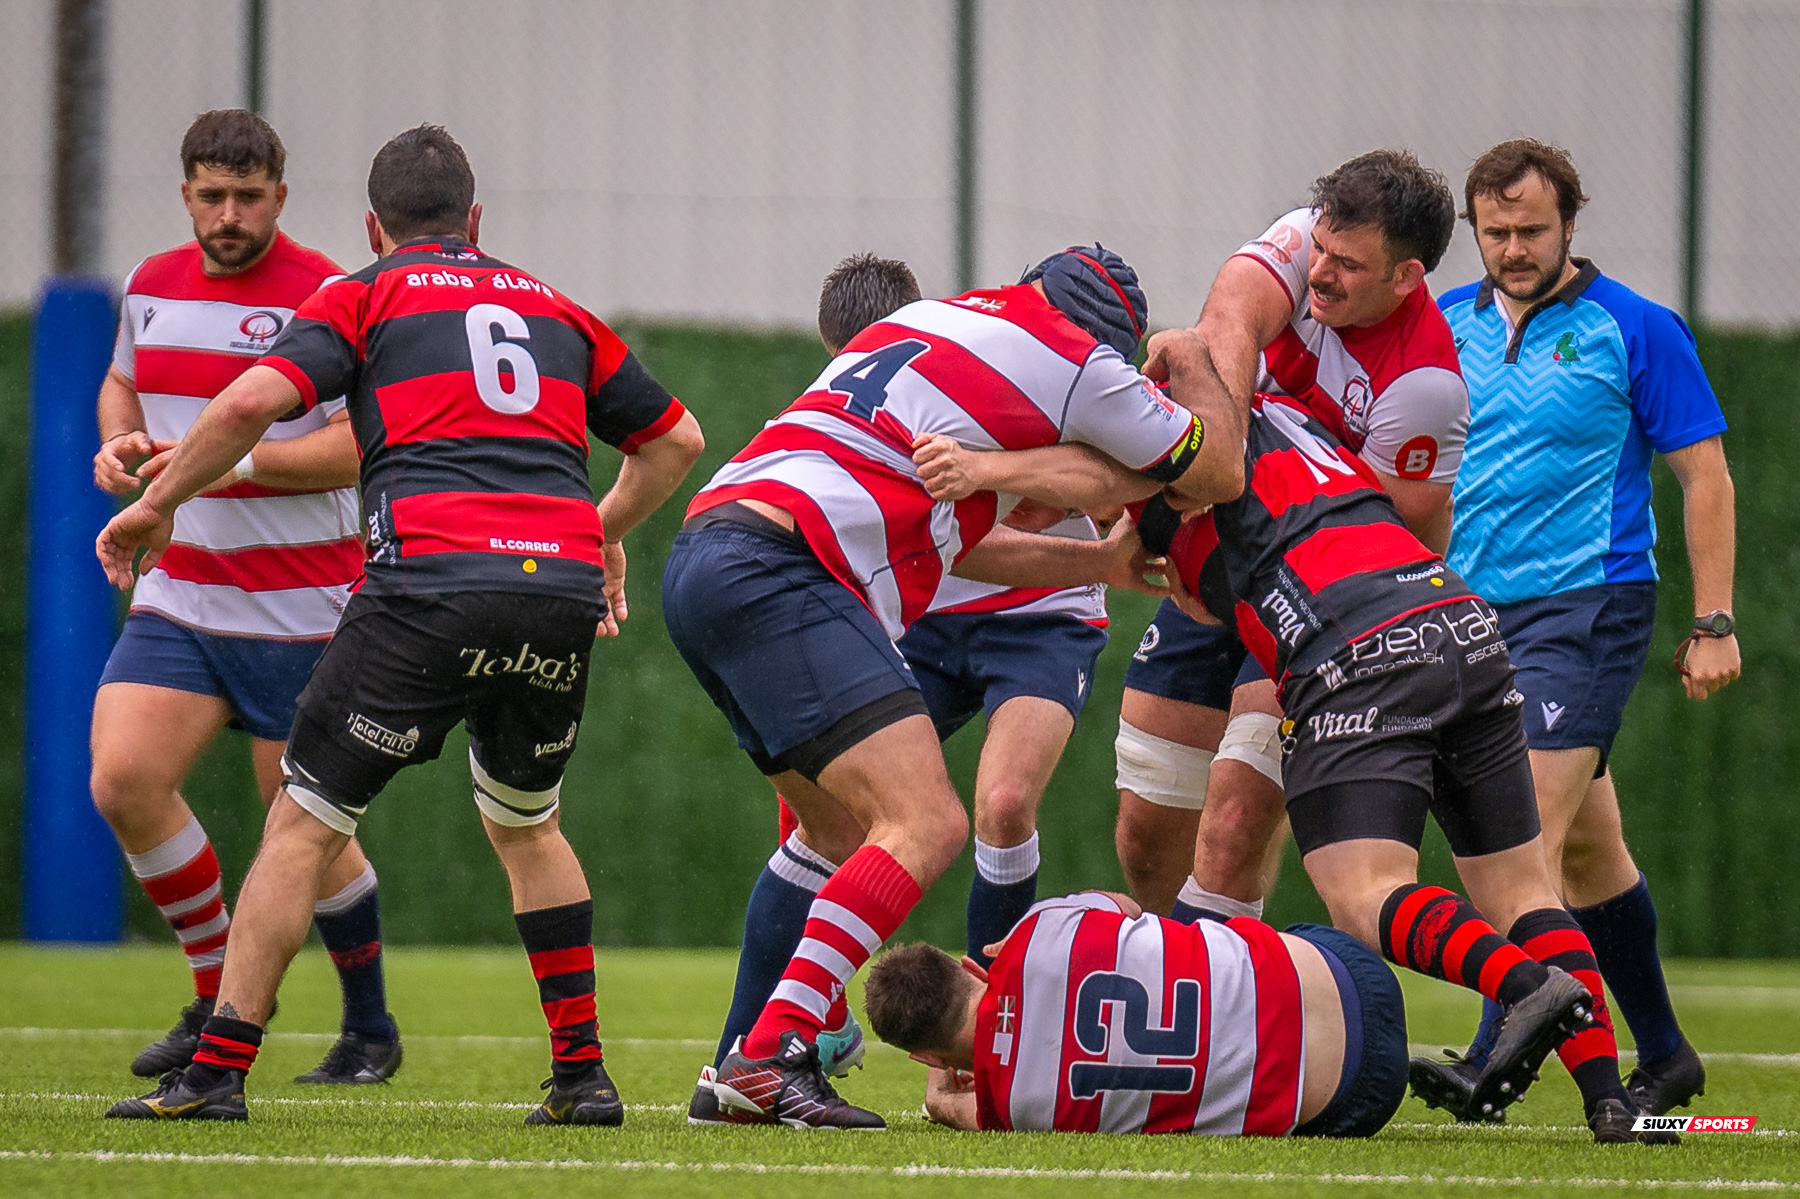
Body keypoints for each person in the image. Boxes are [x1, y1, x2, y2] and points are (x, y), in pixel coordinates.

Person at [96, 124, 704, 1125]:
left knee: (301, 821)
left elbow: (249, 403)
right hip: (554, 591)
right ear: (476, 220)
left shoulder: (364, 293)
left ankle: (216, 1072)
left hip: (427, 581)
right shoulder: (555, 306)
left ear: (375, 227)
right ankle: (583, 1075)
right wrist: (596, 534)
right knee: (529, 824)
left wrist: (161, 500)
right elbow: (676, 438)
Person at [913, 365, 1670, 1143]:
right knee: (1521, 891)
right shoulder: (1268, 412)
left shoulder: (1163, 446)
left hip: (1357, 649)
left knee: (1365, 895)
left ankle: (1524, 984)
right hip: (1459, 618)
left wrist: (986, 470)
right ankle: (1610, 1101)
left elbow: (1108, 472)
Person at [665, 245, 1240, 1129]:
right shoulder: (1082, 361)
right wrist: (1193, 358)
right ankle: (772, 1052)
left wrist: (1091, 556)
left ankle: (737, 1067)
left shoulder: (929, 321)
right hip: (790, 567)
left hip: (710, 550)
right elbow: (1216, 471)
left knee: (832, 828)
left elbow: (970, 534)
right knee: (928, 822)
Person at [1409, 139, 1737, 1123]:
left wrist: (1714, 619)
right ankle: (1667, 1056)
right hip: (1471, 615)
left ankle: (1491, 1059)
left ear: (1570, 225)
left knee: (1518, 835)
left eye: (1531, 229)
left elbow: (1705, 477)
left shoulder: (1636, 327)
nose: (1513, 248)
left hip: (1587, 607)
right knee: (1590, 854)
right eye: (1495, 232)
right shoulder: (1438, 324)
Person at [89, 108, 399, 1084]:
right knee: (123, 779)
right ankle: (212, 993)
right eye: (212, 196)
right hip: (181, 593)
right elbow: (122, 380)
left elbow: (361, 446)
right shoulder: (149, 284)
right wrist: (117, 438)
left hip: (306, 606)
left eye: (248, 197)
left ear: (280, 196)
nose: (229, 215)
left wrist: (237, 463)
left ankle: (370, 1028)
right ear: (187, 194)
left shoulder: (329, 294)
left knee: (303, 826)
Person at [1110, 151, 1470, 926]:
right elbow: (1224, 327)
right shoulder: (1303, 240)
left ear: (1406, 277)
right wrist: (1214, 475)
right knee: (1144, 836)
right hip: (1224, 562)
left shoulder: (1424, 386)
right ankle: (1182, 976)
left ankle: (1221, 998)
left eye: (1350, 265)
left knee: (1235, 824)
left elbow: (1389, 540)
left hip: (1316, 602)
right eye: (1323, 250)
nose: (1322, 273)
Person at [863, 892, 1407, 1137]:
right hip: (1352, 972)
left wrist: (943, 1099)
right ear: (971, 967)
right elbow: (1127, 906)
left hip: (1360, 1092)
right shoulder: (1040, 925)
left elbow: (970, 1112)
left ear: (926, 1056)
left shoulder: (1013, 1109)